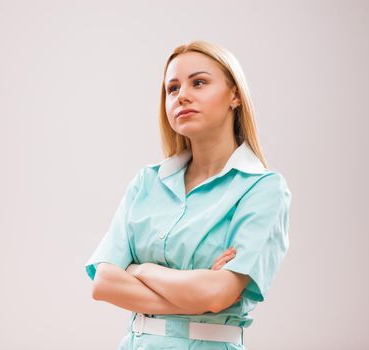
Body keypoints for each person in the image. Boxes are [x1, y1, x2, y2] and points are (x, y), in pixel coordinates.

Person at [84, 40, 292, 350]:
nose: (182, 96)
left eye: (199, 82)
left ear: (234, 94)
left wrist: (140, 270)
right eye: (172, 89)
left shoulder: (262, 189)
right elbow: (104, 284)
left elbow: (218, 293)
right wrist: (198, 292)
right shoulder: (147, 182)